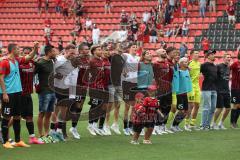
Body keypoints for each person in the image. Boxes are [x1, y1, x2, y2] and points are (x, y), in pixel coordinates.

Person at [0, 42, 38, 148]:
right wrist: (4, 93)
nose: (19, 51)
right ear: (12, 50)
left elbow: (29, 56)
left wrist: (35, 48)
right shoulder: (4, 62)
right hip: (8, 93)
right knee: (6, 117)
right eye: (18, 49)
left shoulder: (16, 60)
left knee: (17, 116)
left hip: (18, 92)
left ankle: (18, 140)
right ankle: (5, 142)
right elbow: (1, 78)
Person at [53, 44, 78, 140]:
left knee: (65, 112)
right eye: (71, 52)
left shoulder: (74, 62)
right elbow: (52, 71)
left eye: (74, 52)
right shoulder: (59, 60)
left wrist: (72, 93)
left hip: (68, 89)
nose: (73, 54)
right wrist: (56, 75)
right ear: (66, 51)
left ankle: (60, 131)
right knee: (56, 110)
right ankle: (53, 131)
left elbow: (73, 78)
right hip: (57, 88)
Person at [19, 47, 44, 145]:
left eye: (29, 53)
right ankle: (5, 135)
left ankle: (32, 138)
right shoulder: (18, 64)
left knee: (29, 116)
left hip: (28, 94)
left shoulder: (33, 64)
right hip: (19, 94)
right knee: (15, 117)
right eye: (25, 53)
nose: (27, 55)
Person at [35, 45, 57, 143]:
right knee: (42, 113)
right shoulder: (40, 63)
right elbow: (34, 75)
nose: (55, 53)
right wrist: (37, 86)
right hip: (44, 91)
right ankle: (40, 135)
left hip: (52, 91)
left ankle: (47, 134)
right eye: (54, 51)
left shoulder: (52, 61)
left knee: (48, 114)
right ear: (48, 52)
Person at [153, 48, 174, 134]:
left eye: (165, 51)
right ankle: (155, 126)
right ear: (158, 53)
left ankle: (162, 125)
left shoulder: (167, 64)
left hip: (168, 89)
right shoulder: (155, 64)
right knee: (158, 107)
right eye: (163, 51)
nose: (165, 52)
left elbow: (171, 76)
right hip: (159, 89)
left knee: (167, 107)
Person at [122, 43, 140, 135]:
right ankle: (125, 127)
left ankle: (131, 125)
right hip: (127, 83)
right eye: (133, 47)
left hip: (135, 83)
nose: (135, 49)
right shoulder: (125, 55)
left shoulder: (138, 58)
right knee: (127, 106)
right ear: (129, 48)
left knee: (134, 106)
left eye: (136, 47)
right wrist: (122, 70)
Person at [171, 57, 192, 132]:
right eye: (186, 62)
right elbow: (175, 67)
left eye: (187, 62)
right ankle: (173, 125)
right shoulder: (178, 71)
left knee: (185, 111)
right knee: (180, 110)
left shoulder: (187, 71)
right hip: (179, 94)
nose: (187, 63)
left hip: (185, 94)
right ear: (181, 63)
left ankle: (177, 125)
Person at [108, 43, 125, 135]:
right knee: (109, 105)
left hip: (119, 83)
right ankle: (105, 125)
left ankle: (115, 124)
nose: (121, 49)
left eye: (122, 47)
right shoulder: (112, 56)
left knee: (118, 105)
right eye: (119, 47)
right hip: (111, 83)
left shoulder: (122, 58)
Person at [212, 53, 231, 130]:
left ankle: (221, 123)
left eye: (229, 57)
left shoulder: (229, 67)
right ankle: (213, 123)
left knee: (228, 108)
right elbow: (213, 76)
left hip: (226, 90)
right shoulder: (218, 66)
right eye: (227, 57)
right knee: (219, 108)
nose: (229, 58)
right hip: (219, 90)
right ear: (224, 58)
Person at [200, 50, 218, 130]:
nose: (214, 55)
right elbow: (197, 72)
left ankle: (207, 124)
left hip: (214, 89)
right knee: (206, 107)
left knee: (213, 108)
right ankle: (203, 125)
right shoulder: (203, 65)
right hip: (206, 89)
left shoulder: (215, 66)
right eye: (212, 54)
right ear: (208, 56)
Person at [186, 51, 201, 129]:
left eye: (198, 53)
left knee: (197, 105)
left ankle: (192, 123)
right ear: (191, 55)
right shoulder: (189, 63)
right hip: (190, 86)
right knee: (190, 105)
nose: (197, 54)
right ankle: (186, 123)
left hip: (197, 86)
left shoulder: (199, 64)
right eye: (195, 53)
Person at [230, 52, 240, 128]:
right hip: (235, 88)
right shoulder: (235, 63)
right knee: (235, 105)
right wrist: (230, 76)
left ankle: (235, 122)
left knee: (239, 106)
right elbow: (228, 68)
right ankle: (232, 122)